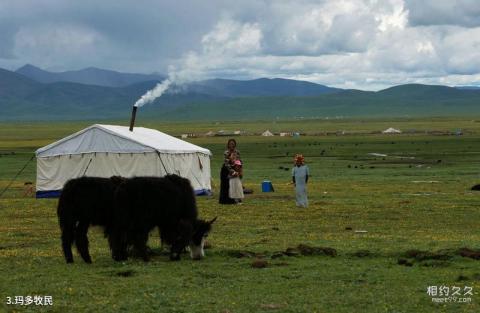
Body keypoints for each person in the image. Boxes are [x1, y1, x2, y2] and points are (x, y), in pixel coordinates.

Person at [219, 138, 240, 204]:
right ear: (228, 145)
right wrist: (232, 171)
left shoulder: (237, 152)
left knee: (235, 185)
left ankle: (235, 200)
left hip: (235, 169)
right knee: (226, 185)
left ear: (235, 145)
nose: (232, 145)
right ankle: (226, 201)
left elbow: (238, 161)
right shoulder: (226, 153)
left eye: (233, 144)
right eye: (230, 144)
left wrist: (238, 170)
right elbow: (227, 164)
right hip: (226, 170)